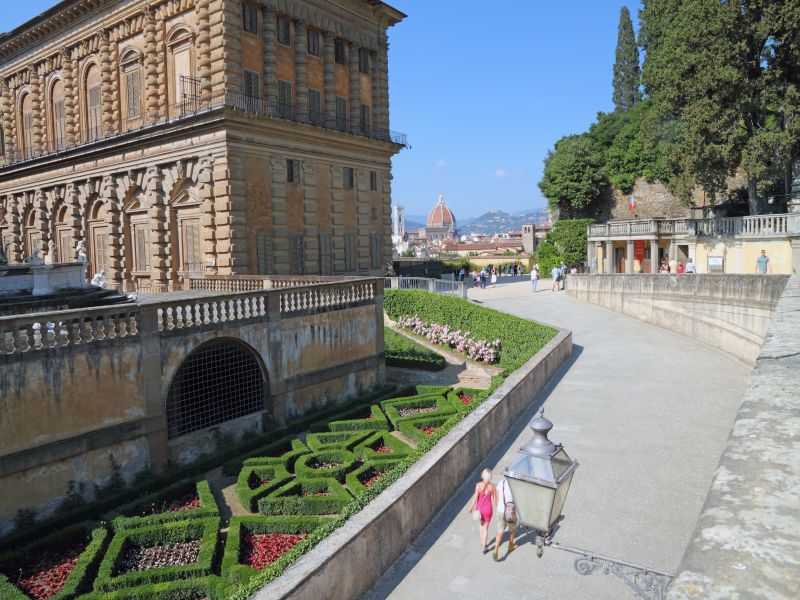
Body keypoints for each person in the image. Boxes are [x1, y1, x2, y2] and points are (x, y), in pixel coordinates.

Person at [467, 468, 497, 553]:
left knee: (481, 525)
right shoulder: (492, 486)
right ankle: (484, 547)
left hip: (480, 509)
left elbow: (475, 497)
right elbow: (495, 499)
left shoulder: (478, 485)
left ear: (483, 476)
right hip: (488, 509)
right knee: (486, 528)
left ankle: (482, 542)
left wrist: (470, 507)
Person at [493, 477, 518, 561]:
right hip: (510, 511)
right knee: (512, 529)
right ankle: (510, 545)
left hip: (500, 510)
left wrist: (499, 507)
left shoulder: (501, 482)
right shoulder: (514, 485)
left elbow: (496, 497)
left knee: (500, 531)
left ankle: (496, 548)